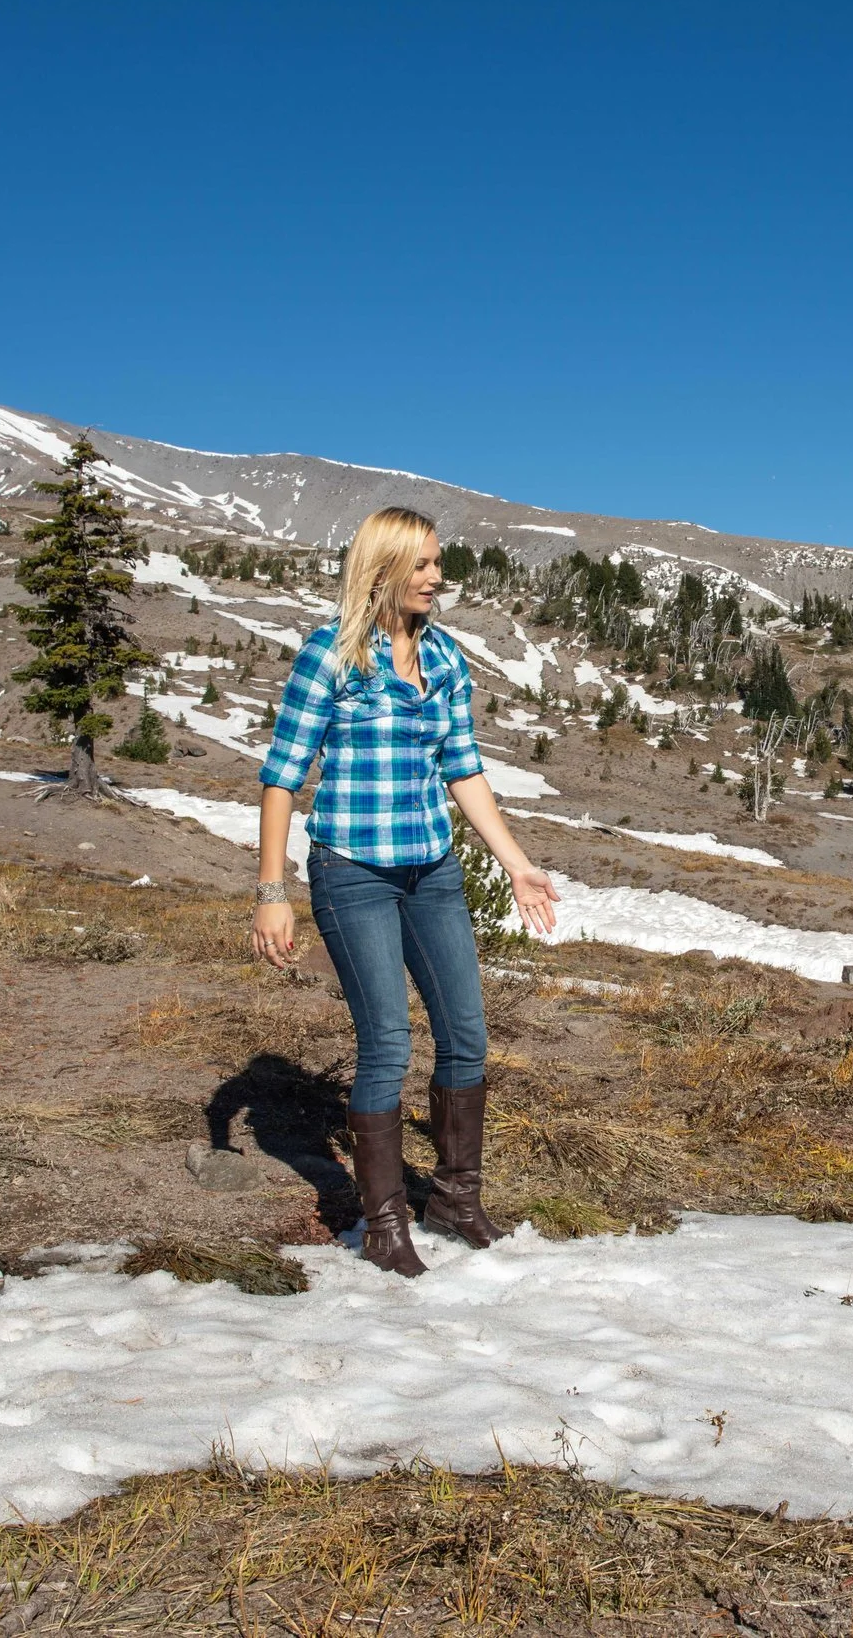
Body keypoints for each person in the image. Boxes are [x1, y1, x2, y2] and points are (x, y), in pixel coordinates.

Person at [252, 507, 559, 1276]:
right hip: (351, 869)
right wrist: (271, 889)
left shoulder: (446, 657)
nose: (436, 578)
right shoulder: (331, 655)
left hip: (432, 870)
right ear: (383, 567)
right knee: (386, 1042)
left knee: (466, 1033)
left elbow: (464, 769)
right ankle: (384, 1223)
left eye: (437, 563)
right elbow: (283, 778)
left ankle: (456, 1197)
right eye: (422, 564)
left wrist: (517, 864)